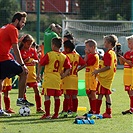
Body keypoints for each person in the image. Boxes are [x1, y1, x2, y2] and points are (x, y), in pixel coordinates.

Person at [0, 12, 34, 116]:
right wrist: (23, 65)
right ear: (16, 21)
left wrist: (18, 40)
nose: (23, 24)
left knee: (0, 84)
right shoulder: (13, 29)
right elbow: (15, 49)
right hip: (4, 59)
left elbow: (5, 42)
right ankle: (20, 99)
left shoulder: (5, 27)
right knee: (23, 72)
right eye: (22, 22)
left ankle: (0, 110)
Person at [37, 37, 71, 119]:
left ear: (53, 45)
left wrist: (38, 74)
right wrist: (64, 75)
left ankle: (47, 114)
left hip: (49, 77)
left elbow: (40, 64)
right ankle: (55, 114)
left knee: (47, 95)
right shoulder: (64, 56)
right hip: (57, 78)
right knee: (57, 96)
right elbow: (69, 68)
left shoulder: (49, 54)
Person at [92, 34, 118, 118]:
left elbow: (108, 66)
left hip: (104, 77)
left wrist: (97, 71)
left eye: (105, 42)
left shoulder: (108, 53)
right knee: (107, 94)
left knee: (100, 94)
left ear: (110, 43)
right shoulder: (113, 53)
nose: (104, 44)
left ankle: (97, 111)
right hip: (109, 77)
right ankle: (108, 112)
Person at [59, 40, 86, 118]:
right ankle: (74, 112)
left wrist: (62, 74)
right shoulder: (77, 56)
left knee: (66, 96)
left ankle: (65, 112)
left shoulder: (66, 56)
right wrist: (77, 69)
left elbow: (65, 67)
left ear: (67, 49)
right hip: (75, 78)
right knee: (74, 96)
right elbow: (84, 64)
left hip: (67, 78)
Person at [19, 34, 44, 113]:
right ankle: (24, 106)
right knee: (23, 91)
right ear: (23, 43)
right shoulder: (20, 51)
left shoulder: (33, 50)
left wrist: (34, 61)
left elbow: (38, 61)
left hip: (32, 75)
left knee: (37, 90)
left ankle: (39, 108)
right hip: (24, 75)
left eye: (30, 44)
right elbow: (18, 63)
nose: (29, 45)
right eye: (28, 44)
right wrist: (24, 61)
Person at [118, 35, 133, 115]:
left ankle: (132, 108)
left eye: (130, 43)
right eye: (128, 43)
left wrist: (124, 59)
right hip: (126, 75)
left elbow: (131, 64)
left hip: (132, 75)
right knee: (128, 91)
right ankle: (131, 107)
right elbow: (121, 63)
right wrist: (120, 56)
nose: (129, 45)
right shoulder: (127, 53)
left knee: (131, 91)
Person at [84, 39, 99, 114]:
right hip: (88, 78)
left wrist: (86, 54)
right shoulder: (90, 55)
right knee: (88, 93)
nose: (86, 49)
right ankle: (91, 109)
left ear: (92, 47)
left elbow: (86, 63)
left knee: (92, 93)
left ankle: (94, 109)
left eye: (87, 47)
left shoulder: (94, 56)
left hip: (92, 78)